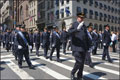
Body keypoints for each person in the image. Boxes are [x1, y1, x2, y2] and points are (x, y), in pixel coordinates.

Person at [68, 13, 90, 80]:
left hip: (83, 47)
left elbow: (86, 37)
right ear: (77, 17)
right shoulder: (74, 24)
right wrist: (76, 29)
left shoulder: (84, 26)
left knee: (82, 63)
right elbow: (69, 32)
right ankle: (72, 72)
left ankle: (79, 75)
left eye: (83, 18)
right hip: (76, 46)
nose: (82, 19)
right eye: (80, 17)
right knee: (79, 62)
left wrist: (89, 46)